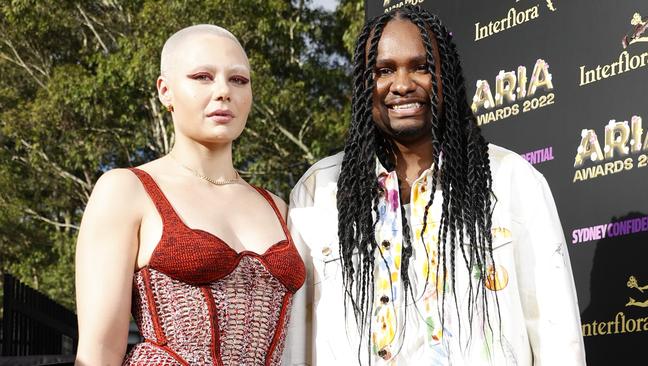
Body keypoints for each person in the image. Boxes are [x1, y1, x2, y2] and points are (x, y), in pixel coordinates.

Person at [286, 5, 585, 366]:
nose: (402, 84)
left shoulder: (513, 182)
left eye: (422, 66)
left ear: (447, 77)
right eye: (384, 70)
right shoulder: (319, 191)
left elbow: (557, 338)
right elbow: (296, 341)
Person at [75, 24, 305, 365]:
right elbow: (99, 350)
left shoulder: (279, 207)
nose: (224, 91)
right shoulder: (128, 190)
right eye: (202, 76)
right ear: (165, 91)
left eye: (239, 80)